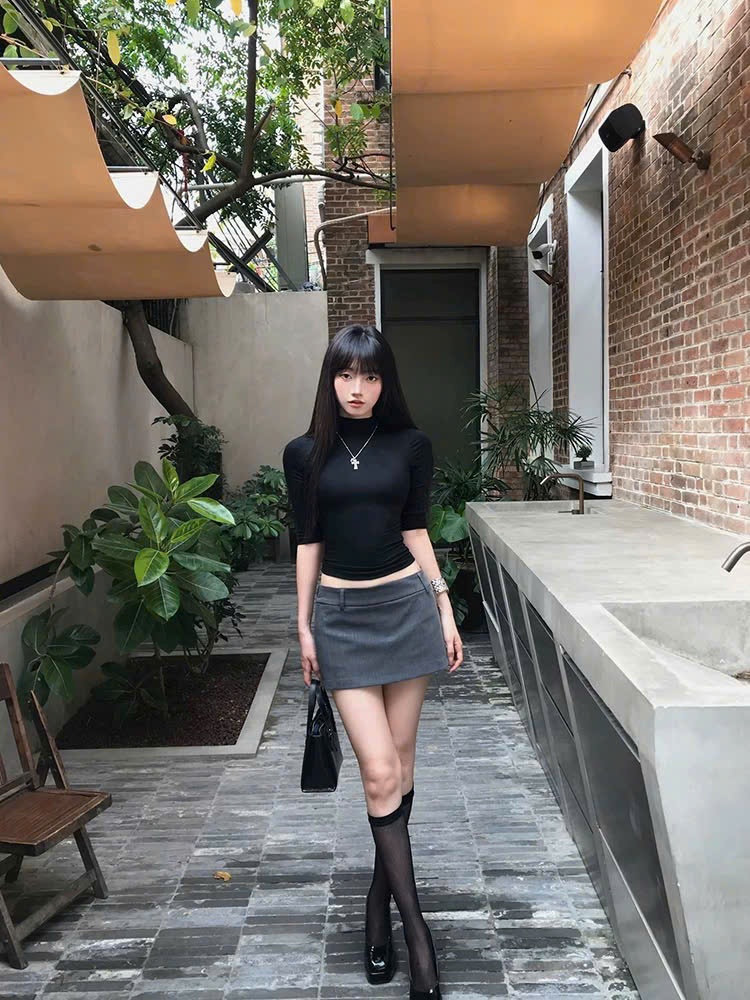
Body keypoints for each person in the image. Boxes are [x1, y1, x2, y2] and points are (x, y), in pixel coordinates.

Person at [282, 324, 463, 1000]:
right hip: (342, 620)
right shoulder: (304, 454)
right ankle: (416, 935)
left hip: (406, 611)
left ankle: (376, 904)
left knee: (402, 767)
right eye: (345, 374)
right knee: (380, 769)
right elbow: (308, 541)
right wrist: (303, 627)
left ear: (386, 381)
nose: (357, 388)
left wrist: (444, 607)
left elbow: (415, 529)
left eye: (370, 375)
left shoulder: (410, 445)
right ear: (330, 379)